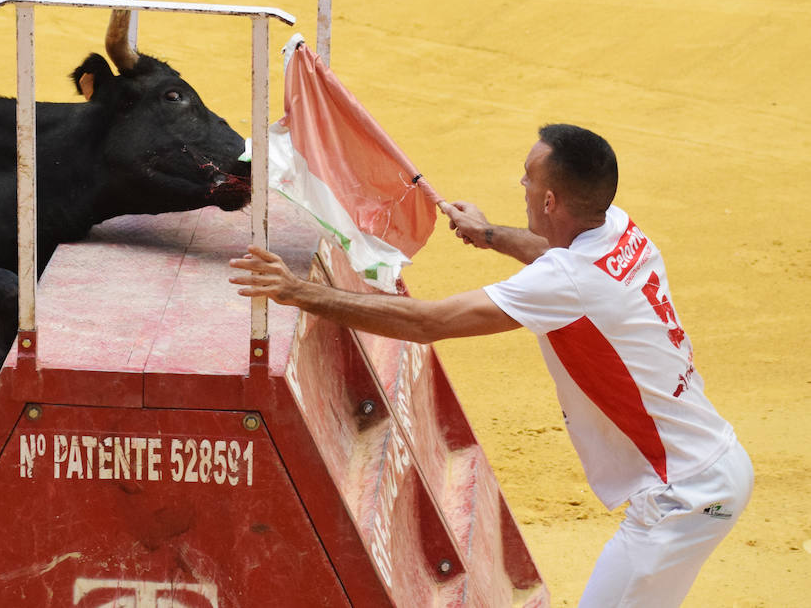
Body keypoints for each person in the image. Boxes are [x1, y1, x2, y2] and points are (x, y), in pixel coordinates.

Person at [230, 123, 752, 607]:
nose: (519, 182)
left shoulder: (568, 282)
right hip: (711, 469)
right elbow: (553, 247)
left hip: (680, 498)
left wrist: (301, 293)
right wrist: (488, 235)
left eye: (528, 177)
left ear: (549, 199)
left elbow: (428, 322)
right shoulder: (616, 229)